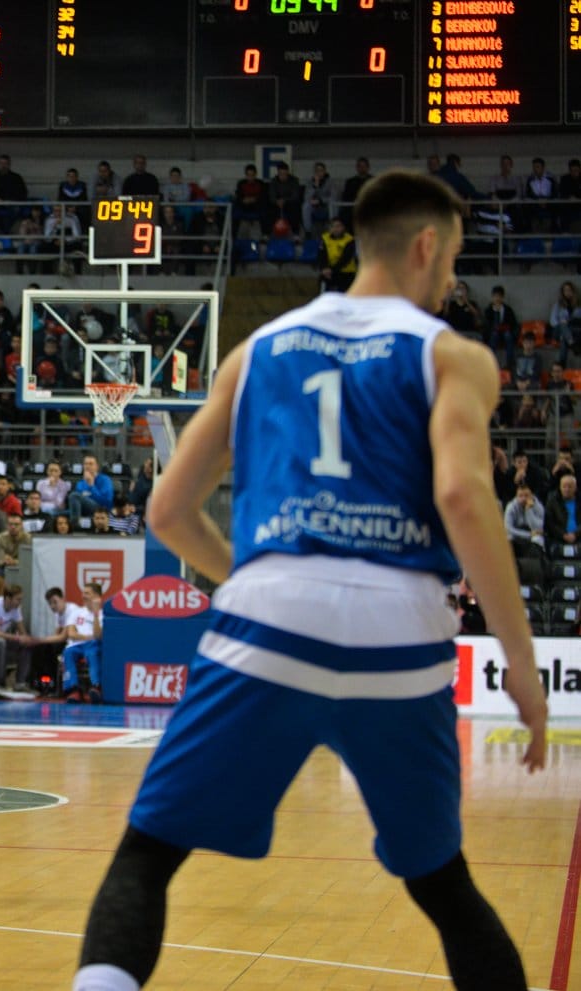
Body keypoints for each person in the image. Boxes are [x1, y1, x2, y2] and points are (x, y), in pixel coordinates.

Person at [73, 170, 548, 991]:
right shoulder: (452, 354)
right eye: (453, 260)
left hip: (269, 619)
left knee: (148, 853)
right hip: (403, 632)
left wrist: (257, 580)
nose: (450, 280)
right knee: (442, 882)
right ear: (428, 246)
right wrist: (522, 661)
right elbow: (466, 496)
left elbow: (169, 512)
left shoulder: (257, 350)